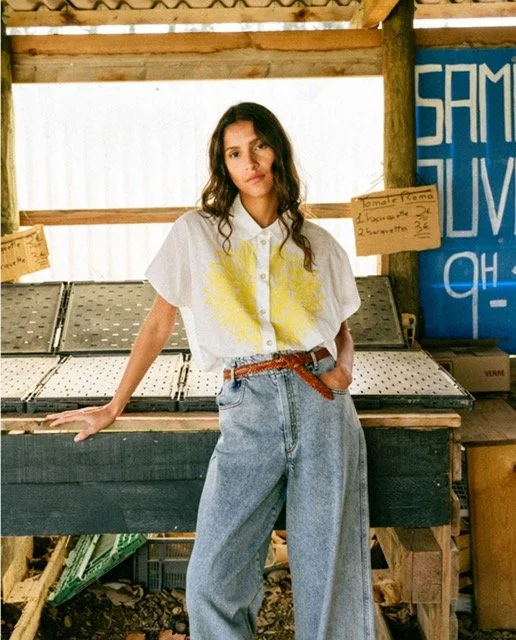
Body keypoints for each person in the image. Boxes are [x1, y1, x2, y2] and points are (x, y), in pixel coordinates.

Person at [47, 102, 375, 639]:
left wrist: (344, 373)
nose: (251, 161)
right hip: (247, 405)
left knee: (328, 576)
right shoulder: (197, 234)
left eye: (259, 146)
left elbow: (339, 326)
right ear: (223, 165)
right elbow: (158, 324)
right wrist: (115, 403)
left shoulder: (317, 242)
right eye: (235, 153)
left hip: (321, 406)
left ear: (278, 152)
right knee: (211, 579)